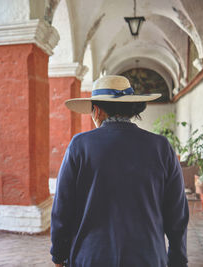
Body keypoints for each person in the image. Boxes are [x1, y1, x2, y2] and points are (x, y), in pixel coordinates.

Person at [50, 75, 189, 267]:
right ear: (131, 110)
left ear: (96, 111)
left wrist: (58, 255)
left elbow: (62, 208)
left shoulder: (79, 146)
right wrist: (177, 260)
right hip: (148, 257)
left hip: (91, 257)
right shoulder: (161, 147)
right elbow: (177, 214)